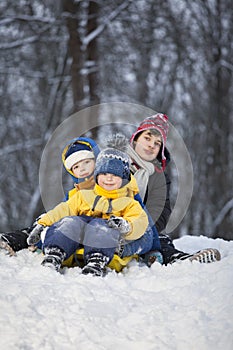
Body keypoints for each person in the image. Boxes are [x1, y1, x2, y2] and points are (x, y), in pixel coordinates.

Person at [27, 144, 155, 276]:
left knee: (101, 226)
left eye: (115, 175)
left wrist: (126, 226)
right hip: (75, 244)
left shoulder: (129, 203)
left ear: (123, 179)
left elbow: (140, 221)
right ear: (97, 176)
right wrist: (42, 224)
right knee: (70, 222)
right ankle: (54, 253)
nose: (109, 178)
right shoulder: (84, 195)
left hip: (105, 246)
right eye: (104, 173)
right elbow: (62, 210)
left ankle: (96, 260)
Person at [127, 113, 221, 264]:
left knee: (161, 240)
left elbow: (161, 213)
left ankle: (180, 259)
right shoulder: (114, 163)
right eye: (147, 138)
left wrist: (140, 230)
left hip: (142, 229)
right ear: (136, 138)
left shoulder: (159, 178)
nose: (151, 145)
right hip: (111, 223)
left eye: (158, 143)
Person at [0, 136, 100, 255]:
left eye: (87, 162)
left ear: (97, 161)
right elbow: (60, 211)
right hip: (73, 230)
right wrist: (44, 221)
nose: (82, 169)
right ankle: (12, 240)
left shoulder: (109, 183)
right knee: (44, 225)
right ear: (71, 172)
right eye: (76, 167)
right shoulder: (74, 194)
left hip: (95, 231)